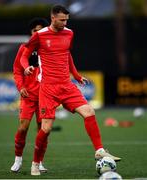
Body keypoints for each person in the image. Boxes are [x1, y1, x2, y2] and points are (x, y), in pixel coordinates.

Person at [20, 5, 121, 176]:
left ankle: (99, 150)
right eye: (61, 20)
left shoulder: (69, 33)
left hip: (66, 85)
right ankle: (35, 163)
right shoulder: (40, 35)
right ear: (53, 18)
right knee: (45, 128)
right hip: (48, 87)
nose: (65, 22)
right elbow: (24, 54)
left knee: (89, 111)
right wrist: (26, 67)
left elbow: (67, 55)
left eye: (67, 19)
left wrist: (77, 75)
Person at [11, 17, 49, 173]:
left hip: (46, 96)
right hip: (28, 95)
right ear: (31, 32)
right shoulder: (24, 48)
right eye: (35, 30)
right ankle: (18, 159)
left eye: (41, 30)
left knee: (44, 130)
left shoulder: (50, 49)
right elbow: (17, 70)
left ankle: (39, 162)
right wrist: (20, 87)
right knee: (23, 127)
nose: (38, 32)